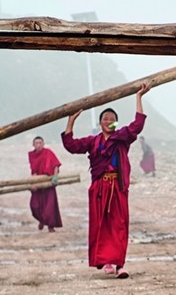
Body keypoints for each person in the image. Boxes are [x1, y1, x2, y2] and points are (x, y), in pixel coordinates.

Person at [62, 81, 151, 279]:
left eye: (112, 119)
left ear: (116, 123)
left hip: (117, 188)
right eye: (105, 118)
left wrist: (138, 97)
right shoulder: (92, 142)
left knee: (118, 225)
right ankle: (106, 260)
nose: (108, 121)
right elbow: (71, 145)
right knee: (101, 225)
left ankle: (120, 265)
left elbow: (137, 125)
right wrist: (71, 121)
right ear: (100, 122)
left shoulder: (122, 138)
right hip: (99, 189)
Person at [28, 135, 62, 232]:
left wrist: (55, 177)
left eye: (40, 143)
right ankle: (41, 220)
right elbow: (33, 170)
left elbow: (55, 165)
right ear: (33, 145)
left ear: (43, 144)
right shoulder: (32, 155)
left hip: (49, 181)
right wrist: (33, 184)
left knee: (50, 206)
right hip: (38, 182)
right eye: (36, 143)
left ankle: (50, 226)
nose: (38, 145)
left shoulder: (48, 152)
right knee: (34, 206)